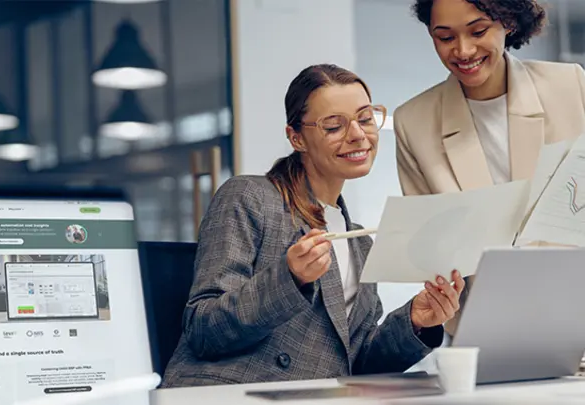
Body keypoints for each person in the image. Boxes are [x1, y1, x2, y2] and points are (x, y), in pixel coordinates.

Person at [161, 64, 465, 388]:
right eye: (334, 126)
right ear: (297, 137)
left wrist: (415, 321)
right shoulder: (249, 197)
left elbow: (355, 365)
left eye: (365, 118)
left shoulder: (360, 243)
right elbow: (204, 329)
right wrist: (289, 278)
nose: (358, 135)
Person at [394, 0, 585, 337]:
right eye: (444, 37)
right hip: (485, 328)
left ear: (508, 22)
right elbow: (433, 252)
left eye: (478, 31)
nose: (463, 51)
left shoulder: (570, 87)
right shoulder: (414, 122)